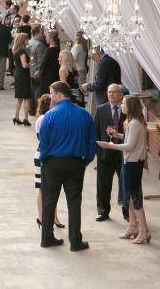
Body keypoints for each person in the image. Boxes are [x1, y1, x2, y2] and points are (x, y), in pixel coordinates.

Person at [37, 81, 96, 251]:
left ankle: (46, 237)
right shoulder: (84, 115)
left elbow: (44, 142)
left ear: (59, 94)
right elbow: (92, 142)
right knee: (74, 202)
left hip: (53, 163)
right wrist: (85, 161)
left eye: (52, 93)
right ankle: (75, 241)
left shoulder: (50, 115)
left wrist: (45, 160)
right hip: (75, 163)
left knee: (49, 200)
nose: (51, 97)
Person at [98, 95, 151, 244]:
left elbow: (129, 146)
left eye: (124, 104)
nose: (121, 106)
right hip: (130, 162)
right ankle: (133, 226)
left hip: (132, 163)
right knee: (128, 197)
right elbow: (129, 140)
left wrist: (109, 145)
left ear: (131, 106)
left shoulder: (134, 123)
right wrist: (117, 135)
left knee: (134, 198)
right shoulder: (133, 122)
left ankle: (144, 230)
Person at [93, 83, 127, 222]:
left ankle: (127, 212)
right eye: (109, 92)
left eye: (114, 92)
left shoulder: (127, 110)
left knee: (125, 184)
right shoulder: (101, 109)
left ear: (121, 95)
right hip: (105, 154)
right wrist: (98, 151)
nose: (111, 94)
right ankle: (103, 211)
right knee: (103, 185)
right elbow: (95, 132)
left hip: (123, 154)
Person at [34, 94, 65, 229]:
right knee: (43, 189)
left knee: (52, 189)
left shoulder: (48, 117)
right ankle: (41, 216)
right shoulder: (43, 118)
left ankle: (53, 216)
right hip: (42, 155)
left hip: (48, 155)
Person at [11, 33, 32, 125]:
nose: (28, 41)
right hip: (24, 75)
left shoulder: (16, 50)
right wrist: (31, 62)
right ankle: (26, 119)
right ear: (23, 40)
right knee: (26, 97)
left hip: (18, 74)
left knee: (19, 97)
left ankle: (16, 116)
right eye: (27, 39)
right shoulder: (22, 51)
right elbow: (24, 65)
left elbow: (17, 64)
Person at [36, 30, 61, 103]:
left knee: (45, 94)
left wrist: (39, 72)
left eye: (47, 37)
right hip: (55, 74)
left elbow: (43, 63)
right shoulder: (58, 49)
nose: (46, 39)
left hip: (47, 76)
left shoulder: (49, 50)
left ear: (52, 39)